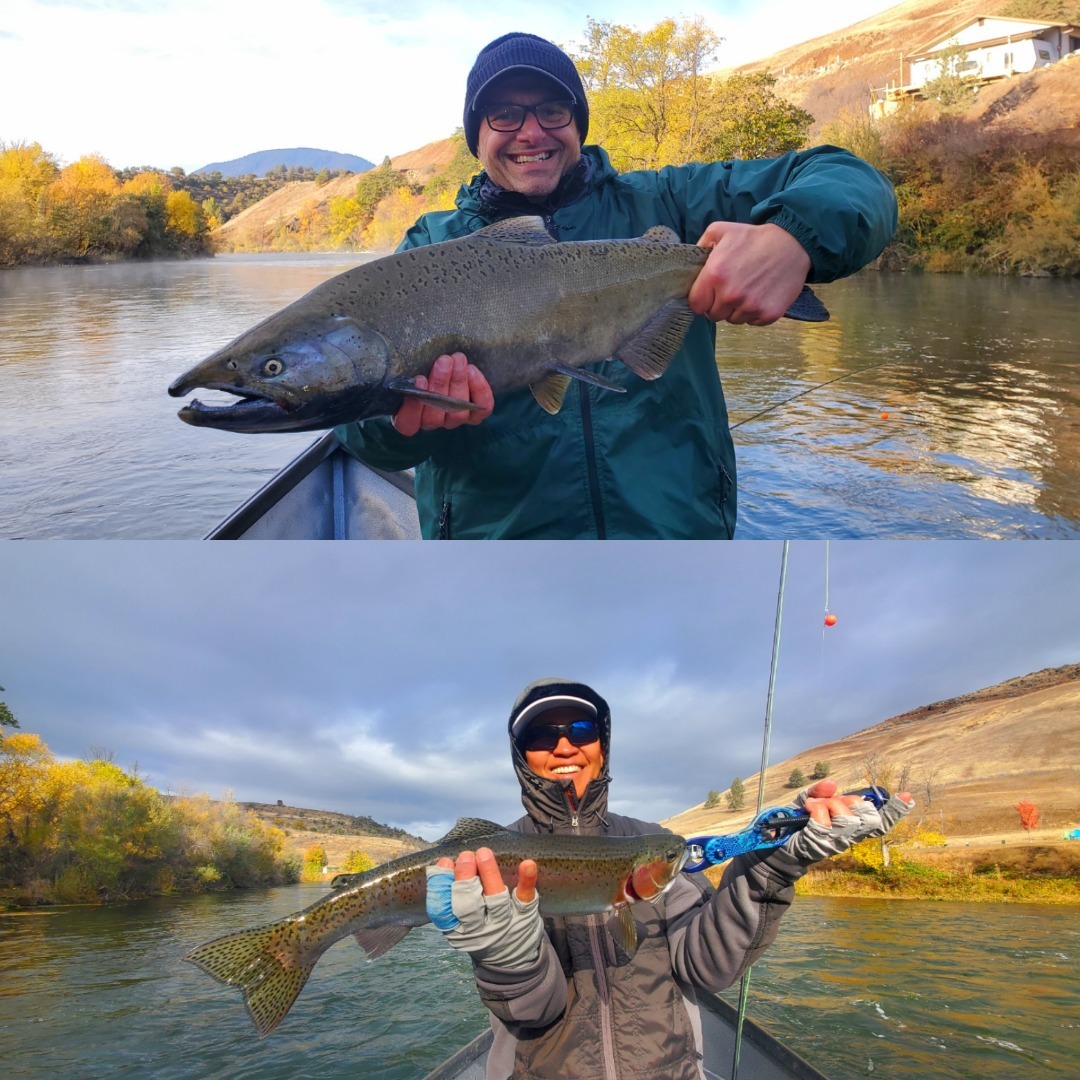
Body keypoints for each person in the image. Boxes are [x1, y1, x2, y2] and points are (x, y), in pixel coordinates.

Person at [335, 33, 898, 538]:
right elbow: (362, 434)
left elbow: (854, 179)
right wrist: (401, 424)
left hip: (676, 539)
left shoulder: (672, 203)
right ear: (476, 135)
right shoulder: (429, 250)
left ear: (577, 122)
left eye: (552, 110)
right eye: (505, 114)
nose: (531, 131)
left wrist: (791, 237)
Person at [425, 678, 914, 1079]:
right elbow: (535, 1012)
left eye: (581, 727)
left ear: (603, 744)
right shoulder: (489, 858)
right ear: (521, 756)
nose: (563, 745)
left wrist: (774, 863)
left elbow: (707, 966)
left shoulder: (654, 843)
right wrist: (506, 955)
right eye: (539, 736)